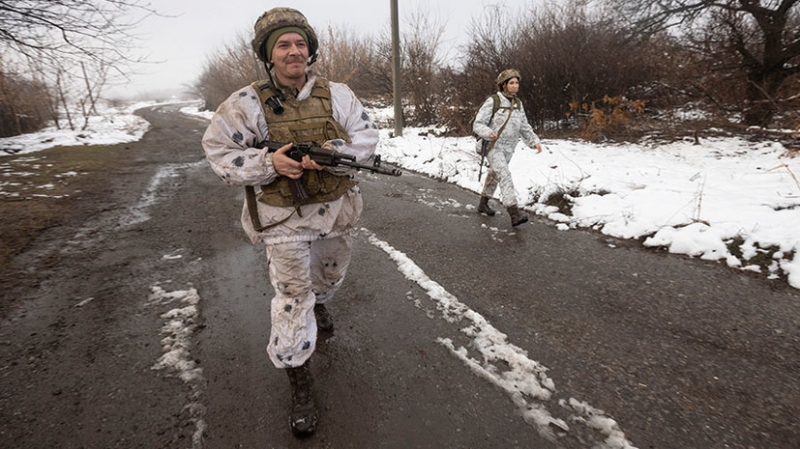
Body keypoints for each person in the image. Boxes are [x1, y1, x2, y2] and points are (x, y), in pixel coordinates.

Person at [201, 7, 379, 436]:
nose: (293, 51)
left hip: (336, 211)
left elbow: (367, 139)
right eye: (283, 44)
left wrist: (333, 154)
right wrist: (270, 162)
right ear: (268, 54)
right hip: (283, 220)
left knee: (331, 276)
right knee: (292, 296)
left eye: (300, 43)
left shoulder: (339, 94)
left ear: (310, 50)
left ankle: (322, 302)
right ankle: (299, 378)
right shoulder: (245, 103)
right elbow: (219, 153)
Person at [473, 69, 543, 227]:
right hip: (493, 146)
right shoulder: (494, 101)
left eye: (517, 82)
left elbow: (524, 126)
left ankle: (483, 204)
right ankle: (514, 213)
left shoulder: (518, 104)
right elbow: (478, 124)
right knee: (504, 175)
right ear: (503, 85)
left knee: (495, 174)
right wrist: (488, 133)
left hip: (509, 148)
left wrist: (534, 141)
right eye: (511, 83)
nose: (515, 85)